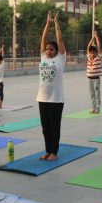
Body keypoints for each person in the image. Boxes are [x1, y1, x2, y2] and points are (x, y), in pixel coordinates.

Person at [37, 10, 66, 161]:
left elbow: (60, 40)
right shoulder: (43, 57)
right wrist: (47, 24)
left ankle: (54, 152)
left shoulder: (60, 58)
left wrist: (55, 24)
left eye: (51, 49)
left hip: (56, 99)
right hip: (42, 98)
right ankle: (48, 150)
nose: (48, 51)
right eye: (47, 49)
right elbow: (43, 39)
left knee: (55, 127)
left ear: (56, 51)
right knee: (45, 128)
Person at [86, 30, 102, 114]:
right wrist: (92, 38)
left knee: (97, 94)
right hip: (89, 78)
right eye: (90, 53)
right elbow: (88, 46)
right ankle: (93, 108)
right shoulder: (89, 58)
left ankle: (98, 108)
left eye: (93, 52)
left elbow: (99, 46)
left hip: (96, 79)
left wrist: (96, 36)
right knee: (92, 94)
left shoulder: (98, 58)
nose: (92, 54)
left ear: (96, 53)